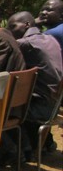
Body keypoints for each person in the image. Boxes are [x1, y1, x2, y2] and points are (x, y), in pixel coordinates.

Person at [7, 11, 63, 154]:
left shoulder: (25, 43)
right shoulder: (49, 39)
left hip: (39, 107)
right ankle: (44, 143)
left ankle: (19, 147)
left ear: (26, 25)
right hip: (54, 105)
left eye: (13, 26)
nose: (10, 31)